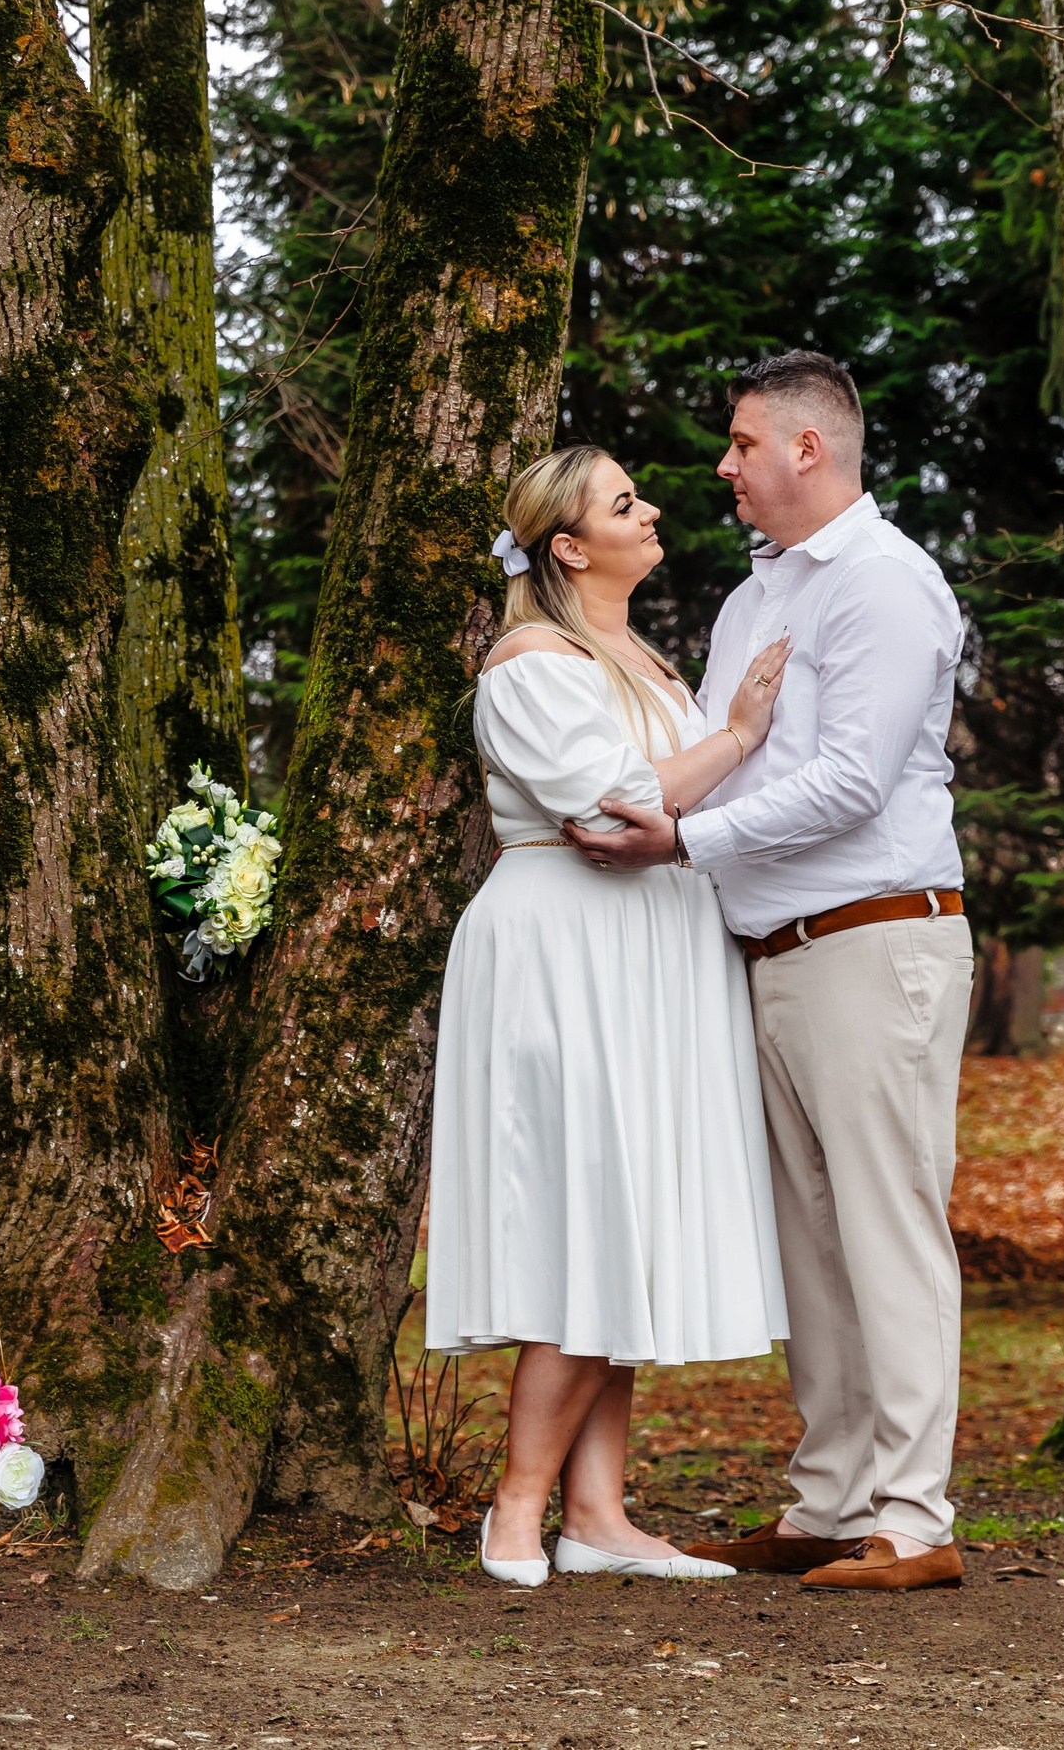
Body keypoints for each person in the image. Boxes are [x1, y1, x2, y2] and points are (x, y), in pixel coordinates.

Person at [570, 352, 972, 1594]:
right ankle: (831, 1502)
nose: (724, 467)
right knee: (813, 1242)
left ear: (808, 449)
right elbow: (719, 749)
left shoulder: (887, 585)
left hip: (873, 934)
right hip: (773, 953)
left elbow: (853, 783)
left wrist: (685, 839)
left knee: (889, 1229)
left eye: (743, 444)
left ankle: (914, 1519)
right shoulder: (755, 600)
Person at [426, 444, 794, 1588]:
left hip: (648, 946)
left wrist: (707, 753)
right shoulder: (530, 663)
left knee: (624, 1225)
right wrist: (735, 735)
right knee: (595, 1216)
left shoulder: (629, 653)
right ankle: (516, 1509)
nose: (651, 510)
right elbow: (619, 805)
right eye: (623, 502)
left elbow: (666, 807)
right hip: (567, 950)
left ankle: (597, 1512)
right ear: (570, 546)